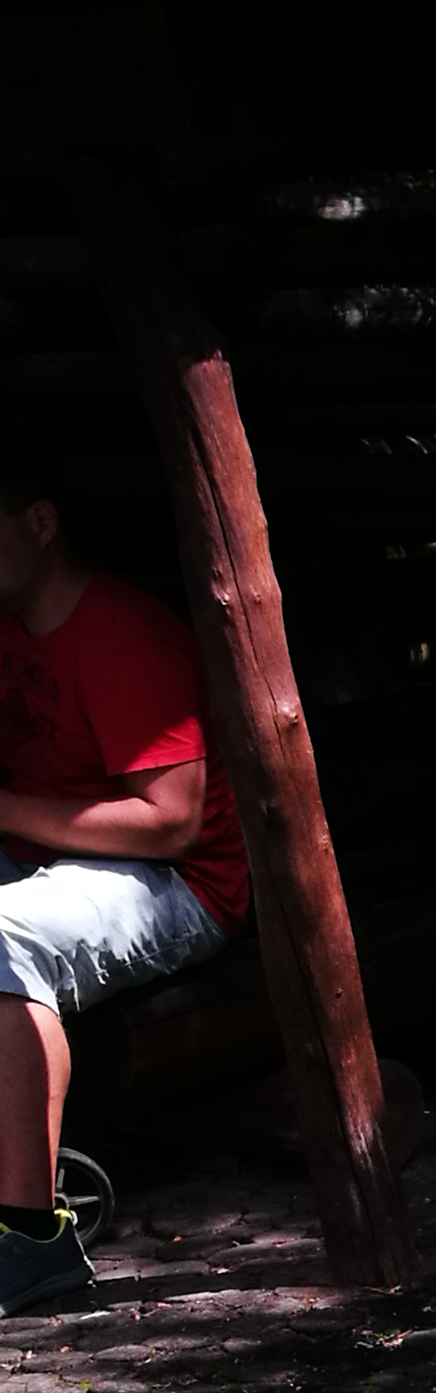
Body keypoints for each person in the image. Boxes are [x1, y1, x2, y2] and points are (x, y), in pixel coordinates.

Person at [0, 443, 249, 1313]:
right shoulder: (9, 624)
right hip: (47, 855)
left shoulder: (124, 637)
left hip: (178, 882)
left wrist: (3, 809)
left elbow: (173, 821)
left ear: (40, 523)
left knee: (2, 940)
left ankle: (32, 1240)